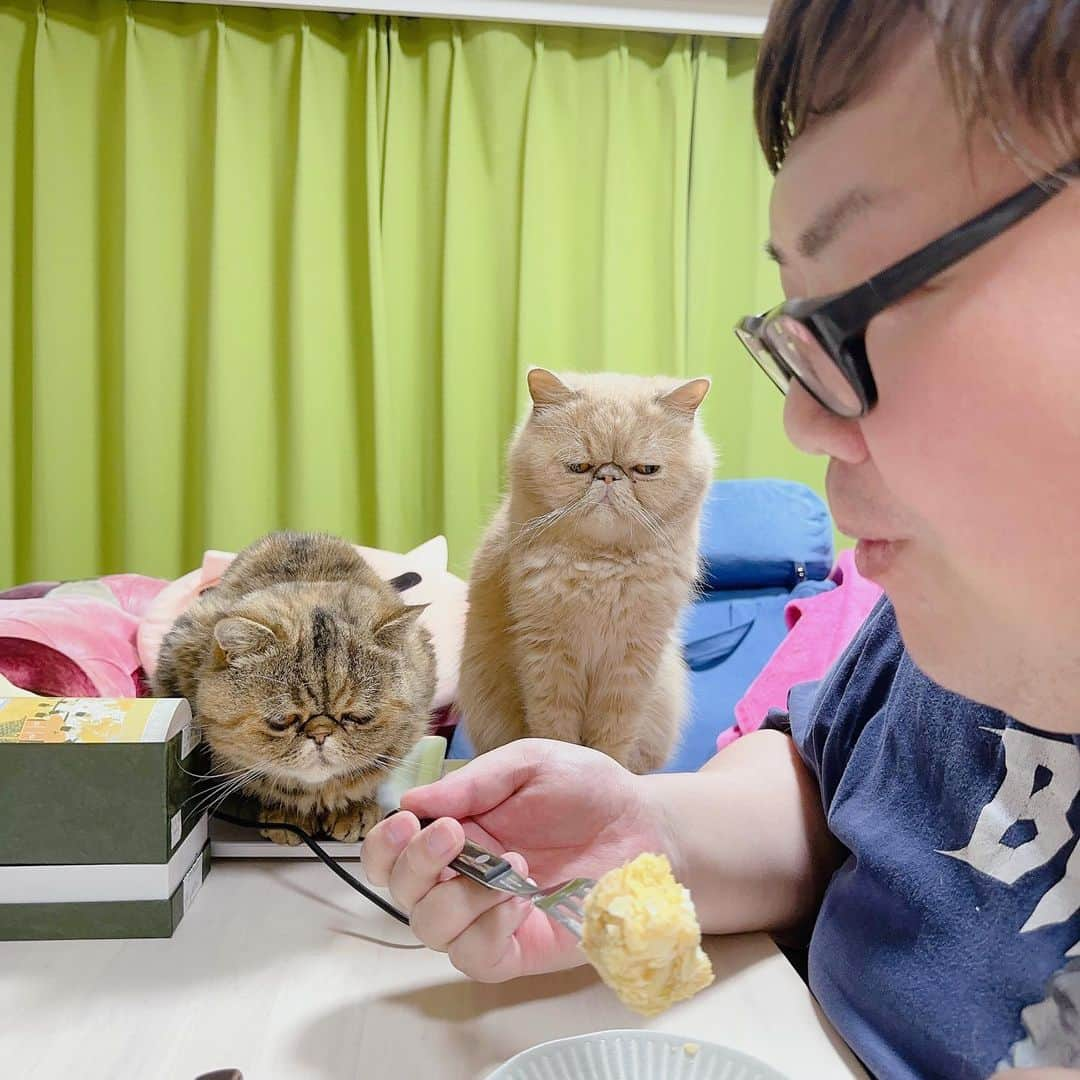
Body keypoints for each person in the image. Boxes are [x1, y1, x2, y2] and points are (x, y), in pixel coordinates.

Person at [363, 3, 1080, 1076]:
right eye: (795, 327)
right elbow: (827, 791)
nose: (800, 419)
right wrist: (656, 836)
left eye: (868, 300)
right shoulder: (936, 623)